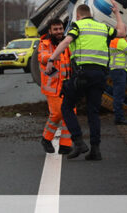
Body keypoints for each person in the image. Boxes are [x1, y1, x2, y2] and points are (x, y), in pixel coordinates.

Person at [46, 1, 126, 161]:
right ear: (90, 14)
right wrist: (117, 13)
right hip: (100, 75)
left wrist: (51, 59)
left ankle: (78, 141)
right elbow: (122, 33)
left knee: (67, 107)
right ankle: (95, 150)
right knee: (93, 112)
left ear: (78, 15)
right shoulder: (103, 27)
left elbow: (67, 41)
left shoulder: (77, 26)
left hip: (82, 74)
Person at [37, 19, 73, 154]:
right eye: (55, 29)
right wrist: (54, 56)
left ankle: (65, 145)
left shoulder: (67, 43)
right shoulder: (44, 44)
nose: (58, 32)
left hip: (68, 85)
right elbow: (42, 57)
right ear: (50, 31)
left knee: (70, 114)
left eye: (60, 29)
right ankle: (46, 139)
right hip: (52, 87)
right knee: (57, 114)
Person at [109, 37, 127, 125]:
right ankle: (119, 118)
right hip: (119, 70)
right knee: (119, 95)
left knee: (118, 94)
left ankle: (118, 117)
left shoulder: (116, 41)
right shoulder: (120, 41)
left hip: (117, 70)